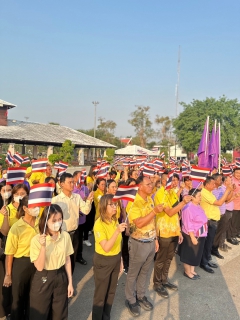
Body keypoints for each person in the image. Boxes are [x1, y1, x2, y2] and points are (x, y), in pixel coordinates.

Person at [125, 175, 163, 317]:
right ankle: (130, 299)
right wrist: (154, 212)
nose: (151, 186)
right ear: (139, 186)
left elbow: (152, 222)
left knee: (145, 272)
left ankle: (140, 295)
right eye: (148, 184)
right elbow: (139, 223)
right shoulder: (133, 202)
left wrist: (156, 239)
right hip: (138, 243)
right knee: (133, 273)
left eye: (151, 184)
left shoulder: (149, 200)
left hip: (150, 241)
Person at [29, 204, 74, 320]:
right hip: (43, 277)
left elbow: (67, 259)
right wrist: (43, 246)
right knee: (40, 313)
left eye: (60, 219)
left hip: (60, 276)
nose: (58, 223)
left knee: (60, 314)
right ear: (45, 221)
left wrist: (70, 282)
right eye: (54, 220)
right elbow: (39, 267)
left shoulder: (65, 236)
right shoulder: (36, 240)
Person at [153, 179, 191, 298]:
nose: (174, 183)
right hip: (164, 232)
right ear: (163, 181)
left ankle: (164, 280)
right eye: (170, 180)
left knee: (169, 258)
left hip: (174, 231)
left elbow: (176, 214)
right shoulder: (160, 194)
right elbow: (169, 212)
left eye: (175, 180)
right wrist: (183, 202)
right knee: (160, 260)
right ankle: (157, 283)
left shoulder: (172, 193)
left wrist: (179, 231)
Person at [3, 196, 39, 320]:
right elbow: (9, 253)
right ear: (25, 208)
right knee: (18, 297)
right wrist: (8, 274)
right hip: (21, 264)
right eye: (34, 207)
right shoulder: (16, 227)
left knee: (33, 296)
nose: (37, 209)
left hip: (36, 262)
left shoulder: (41, 223)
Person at [92, 194, 127, 320]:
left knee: (111, 292)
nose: (115, 207)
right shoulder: (99, 224)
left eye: (116, 204)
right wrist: (117, 231)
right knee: (100, 295)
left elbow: (119, 243)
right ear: (103, 207)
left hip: (115, 259)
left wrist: (121, 260)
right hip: (103, 261)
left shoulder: (114, 221)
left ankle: (106, 316)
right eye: (111, 205)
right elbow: (106, 247)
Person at [51, 173, 93, 273]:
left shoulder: (77, 197)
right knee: (61, 260)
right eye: (69, 182)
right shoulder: (55, 200)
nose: (72, 185)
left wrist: (89, 201)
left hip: (75, 233)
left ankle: (69, 281)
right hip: (62, 234)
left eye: (73, 182)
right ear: (61, 184)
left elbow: (86, 211)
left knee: (72, 259)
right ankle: (61, 282)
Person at [200, 176, 232, 273]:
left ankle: (207, 260)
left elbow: (223, 201)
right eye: (213, 184)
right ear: (208, 184)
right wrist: (227, 191)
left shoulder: (209, 192)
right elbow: (219, 203)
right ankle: (204, 262)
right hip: (208, 221)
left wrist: (230, 192)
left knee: (209, 243)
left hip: (213, 220)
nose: (215, 185)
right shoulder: (204, 192)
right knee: (207, 243)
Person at [179, 189, 208, 279]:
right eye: (199, 196)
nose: (200, 198)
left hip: (201, 234)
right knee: (189, 254)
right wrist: (192, 237)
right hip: (191, 235)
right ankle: (187, 272)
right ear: (192, 197)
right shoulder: (188, 208)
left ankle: (192, 270)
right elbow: (188, 224)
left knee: (196, 253)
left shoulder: (198, 206)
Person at [211, 174, 232, 259]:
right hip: (215, 215)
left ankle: (215, 250)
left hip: (222, 213)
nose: (221, 181)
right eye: (220, 179)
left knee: (219, 234)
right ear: (215, 180)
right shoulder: (212, 191)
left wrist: (231, 190)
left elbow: (226, 199)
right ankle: (209, 251)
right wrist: (227, 191)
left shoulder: (220, 189)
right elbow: (219, 202)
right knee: (213, 235)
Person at [0, 181, 13, 319]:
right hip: (3, 246)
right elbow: (3, 232)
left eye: (9, 189)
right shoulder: (2, 207)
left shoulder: (17, 207)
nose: (7, 192)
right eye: (4, 190)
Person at [72, 171, 90, 264]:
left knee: (80, 238)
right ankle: (72, 258)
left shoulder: (85, 188)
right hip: (74, 220)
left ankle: (79, 256)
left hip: (83, 219)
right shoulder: (72, 189)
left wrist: (87, 199)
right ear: (75, 178)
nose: (81, 179)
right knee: (73, 240)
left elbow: (87, 201)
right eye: (79, 177)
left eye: (82, 177)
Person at [227, 168, 240, 245]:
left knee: (237, 221)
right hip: (233, 204)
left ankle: (236, 233)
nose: (239, 174)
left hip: (239, 205)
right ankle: (230, 236)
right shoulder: (232, 181)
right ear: (234, 173)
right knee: (232, 222)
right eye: (237, 172)